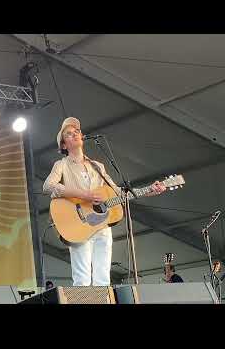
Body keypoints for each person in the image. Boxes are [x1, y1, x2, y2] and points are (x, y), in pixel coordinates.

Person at [43, 117, 166, 287]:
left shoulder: (97, 166)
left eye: (77, 132)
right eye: (69, 134)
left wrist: (149, 190)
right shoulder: (61, 164)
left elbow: (117, 191)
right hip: (78, 225)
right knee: (82, 279)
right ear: (63, 145)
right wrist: (84, 195)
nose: (75, 135)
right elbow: (48, 186)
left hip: (101, 225)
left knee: (103, 278)